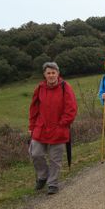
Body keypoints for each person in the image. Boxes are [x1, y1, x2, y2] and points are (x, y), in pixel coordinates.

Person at [29, 62, 78, 194]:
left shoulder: (65, 87)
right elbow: (34, 108)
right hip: (41, 127)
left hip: (58, 128)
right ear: (44, 75)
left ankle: (53, 183)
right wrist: (32, 126)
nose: (51, 75)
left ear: (58, 73)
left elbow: (71, 108)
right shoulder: (40, 88)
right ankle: (43, 176)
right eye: (48, 73)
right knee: (35, 153)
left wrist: (63, 123)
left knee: (55, 159)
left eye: (53, 72)